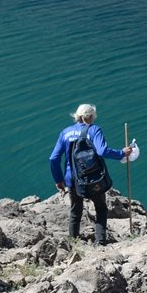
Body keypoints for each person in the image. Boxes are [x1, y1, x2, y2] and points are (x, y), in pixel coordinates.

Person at [49, 103, 132, 245]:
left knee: (75, 211)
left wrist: (59, 180)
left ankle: (73, 243)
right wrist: (121, 154)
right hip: (93, 179)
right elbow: (102, 151)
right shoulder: (94, 130)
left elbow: (53, 158)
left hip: (72, 180)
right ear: (90, 116)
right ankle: (100, 242)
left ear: (77, 116)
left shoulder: (65, 132)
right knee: (100, 208)